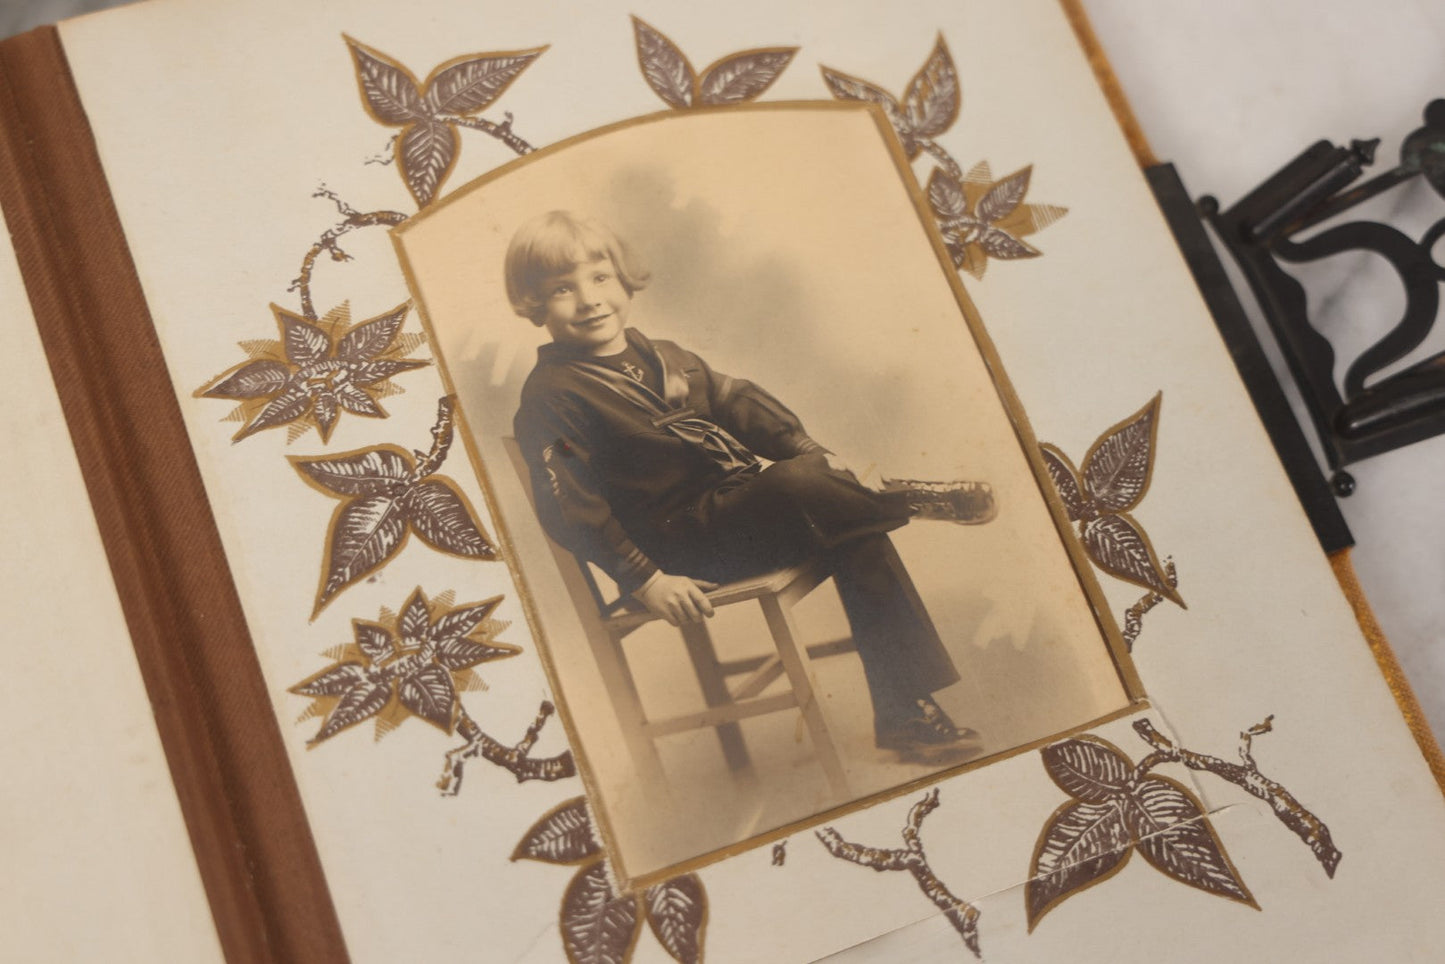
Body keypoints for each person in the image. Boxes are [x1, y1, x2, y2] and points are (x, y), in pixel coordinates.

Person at [508, 211, 996, 758]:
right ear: (533, 306)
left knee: (847, 522)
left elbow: (740, 403)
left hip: (738, 517)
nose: (589, 299)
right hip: (680, 550)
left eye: (600, 279)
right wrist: (647, 581)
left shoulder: (665, 357)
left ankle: (905, 711)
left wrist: (811, 453)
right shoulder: (553, 397)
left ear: (623, 281)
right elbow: (567, 504)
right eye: (561, 290)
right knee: (802, 489)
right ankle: (891, 495)